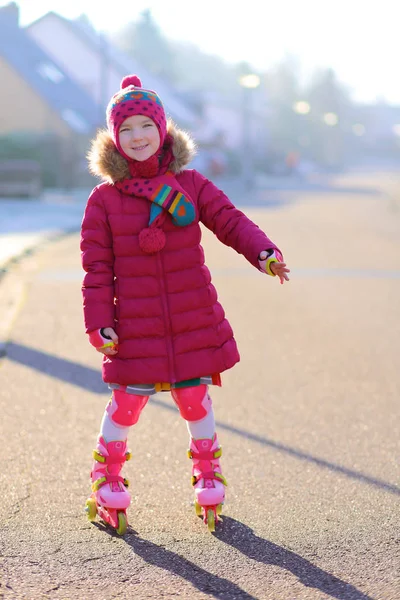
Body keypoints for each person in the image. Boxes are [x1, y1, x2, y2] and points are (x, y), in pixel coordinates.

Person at [81, 75, 290, 535]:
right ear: (116, 138)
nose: (138, 138)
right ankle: (106, 477)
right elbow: (96, 271)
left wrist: (264, 253)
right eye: (128, 130)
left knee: (194, 397)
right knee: (127, 403)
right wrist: (99, 324)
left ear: (162, 130)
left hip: (189, 315)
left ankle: (207, 471)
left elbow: (230, 222)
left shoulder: (191, 184)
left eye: (145, 127)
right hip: (134, 322)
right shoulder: (104, 201)